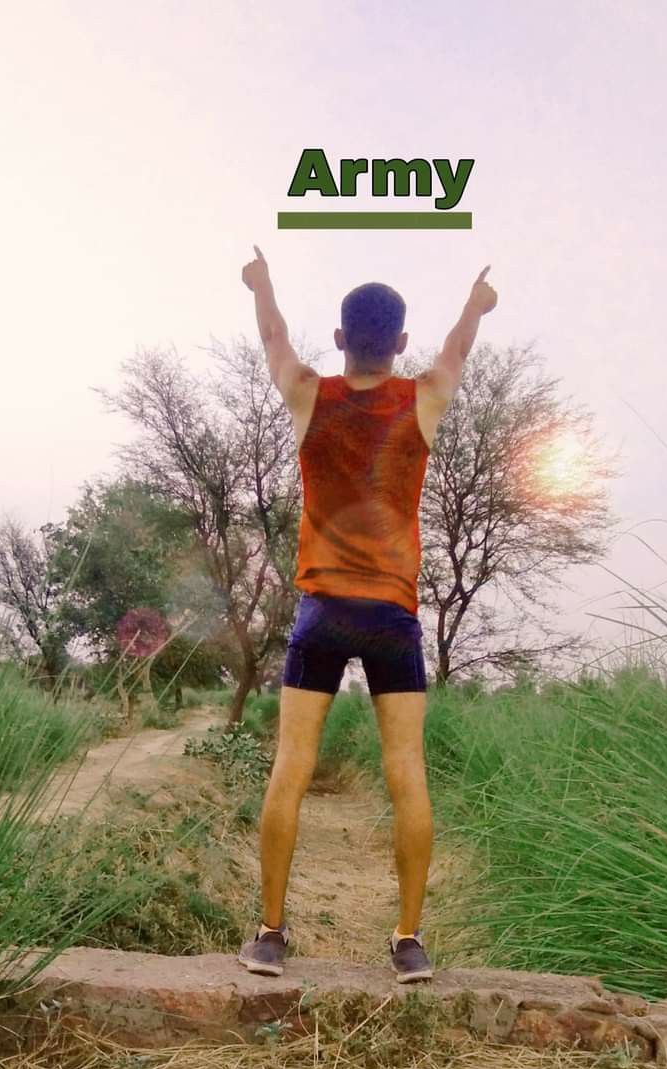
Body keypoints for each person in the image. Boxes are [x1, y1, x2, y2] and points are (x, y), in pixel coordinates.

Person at [238, 245, 497, 982]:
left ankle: (268, 936)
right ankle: (409, 943)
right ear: (401, 343)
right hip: (392, 616)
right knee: (407, 773)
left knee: (290, 766)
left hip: (322, 609)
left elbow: (272, 338)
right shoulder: (424, 395)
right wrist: (476, 304)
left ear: (343, 339)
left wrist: (262, 283)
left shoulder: (306, 391)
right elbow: (457, 348)